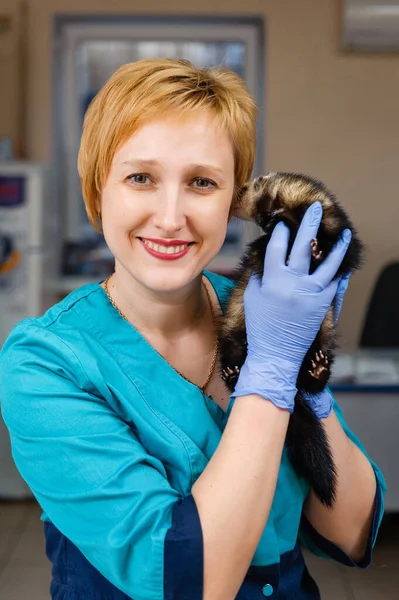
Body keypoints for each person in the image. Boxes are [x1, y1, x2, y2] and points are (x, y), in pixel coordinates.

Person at [0, 58, 385, 600]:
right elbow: (191, 583)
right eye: (140, 178)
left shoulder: (265, 312)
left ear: (233, 201)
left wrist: (307, 386)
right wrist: (271, 371)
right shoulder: (46, 363)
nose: (170, 216)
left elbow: (352, 532)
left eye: (202, 182)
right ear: (98, 189)